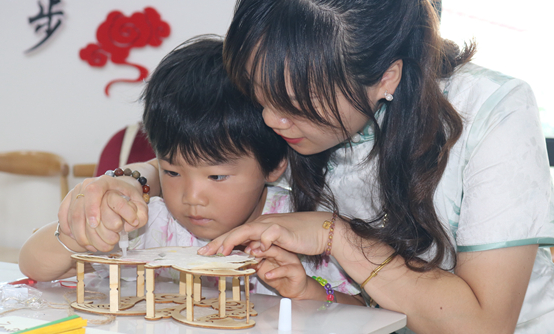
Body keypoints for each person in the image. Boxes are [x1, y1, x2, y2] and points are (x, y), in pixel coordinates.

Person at [55, 1, 554, 334]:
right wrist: (133, 178)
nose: (272, 120)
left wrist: (338, 237)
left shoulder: (492, 112)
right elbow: (215, 158)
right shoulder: (303, 103)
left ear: (387, 77)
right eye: (260, 94)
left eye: (294, 105)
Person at [19, 36, 360, 304]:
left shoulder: (300, 229)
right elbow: (33, 265)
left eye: (217, 176)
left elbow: (363, 310)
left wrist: (308, 291)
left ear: (274, 166)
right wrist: (81, 229)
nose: (192, 197)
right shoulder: (150, 223)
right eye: (171, 172)